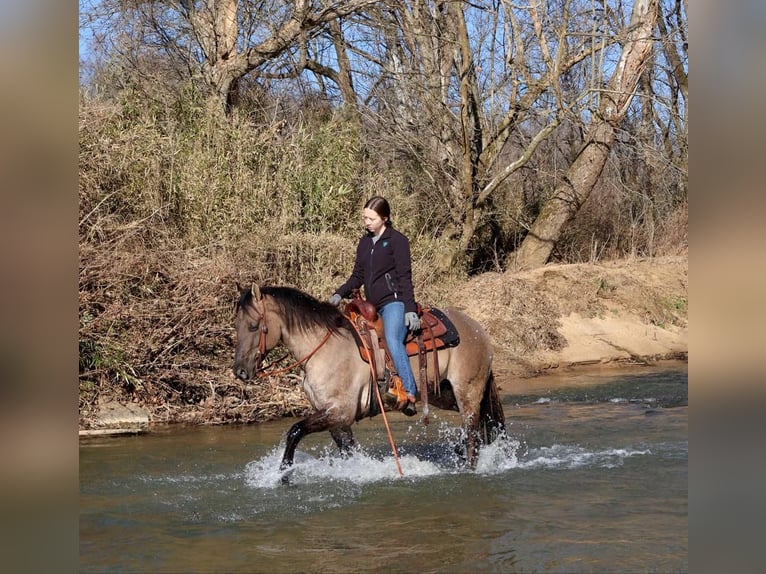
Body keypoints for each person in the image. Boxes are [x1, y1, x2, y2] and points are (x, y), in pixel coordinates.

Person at [328, 196, 420, 413]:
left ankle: (409, 392)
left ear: (384, 218)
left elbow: (405, 277)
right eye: (364, 218)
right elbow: (357, 276)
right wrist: (339, 294)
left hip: (393, 302)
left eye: (371, 218)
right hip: (371, 305)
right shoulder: (364, 242)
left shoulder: (398, 241)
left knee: (392, 338)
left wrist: (409, 309)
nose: (366, 222)